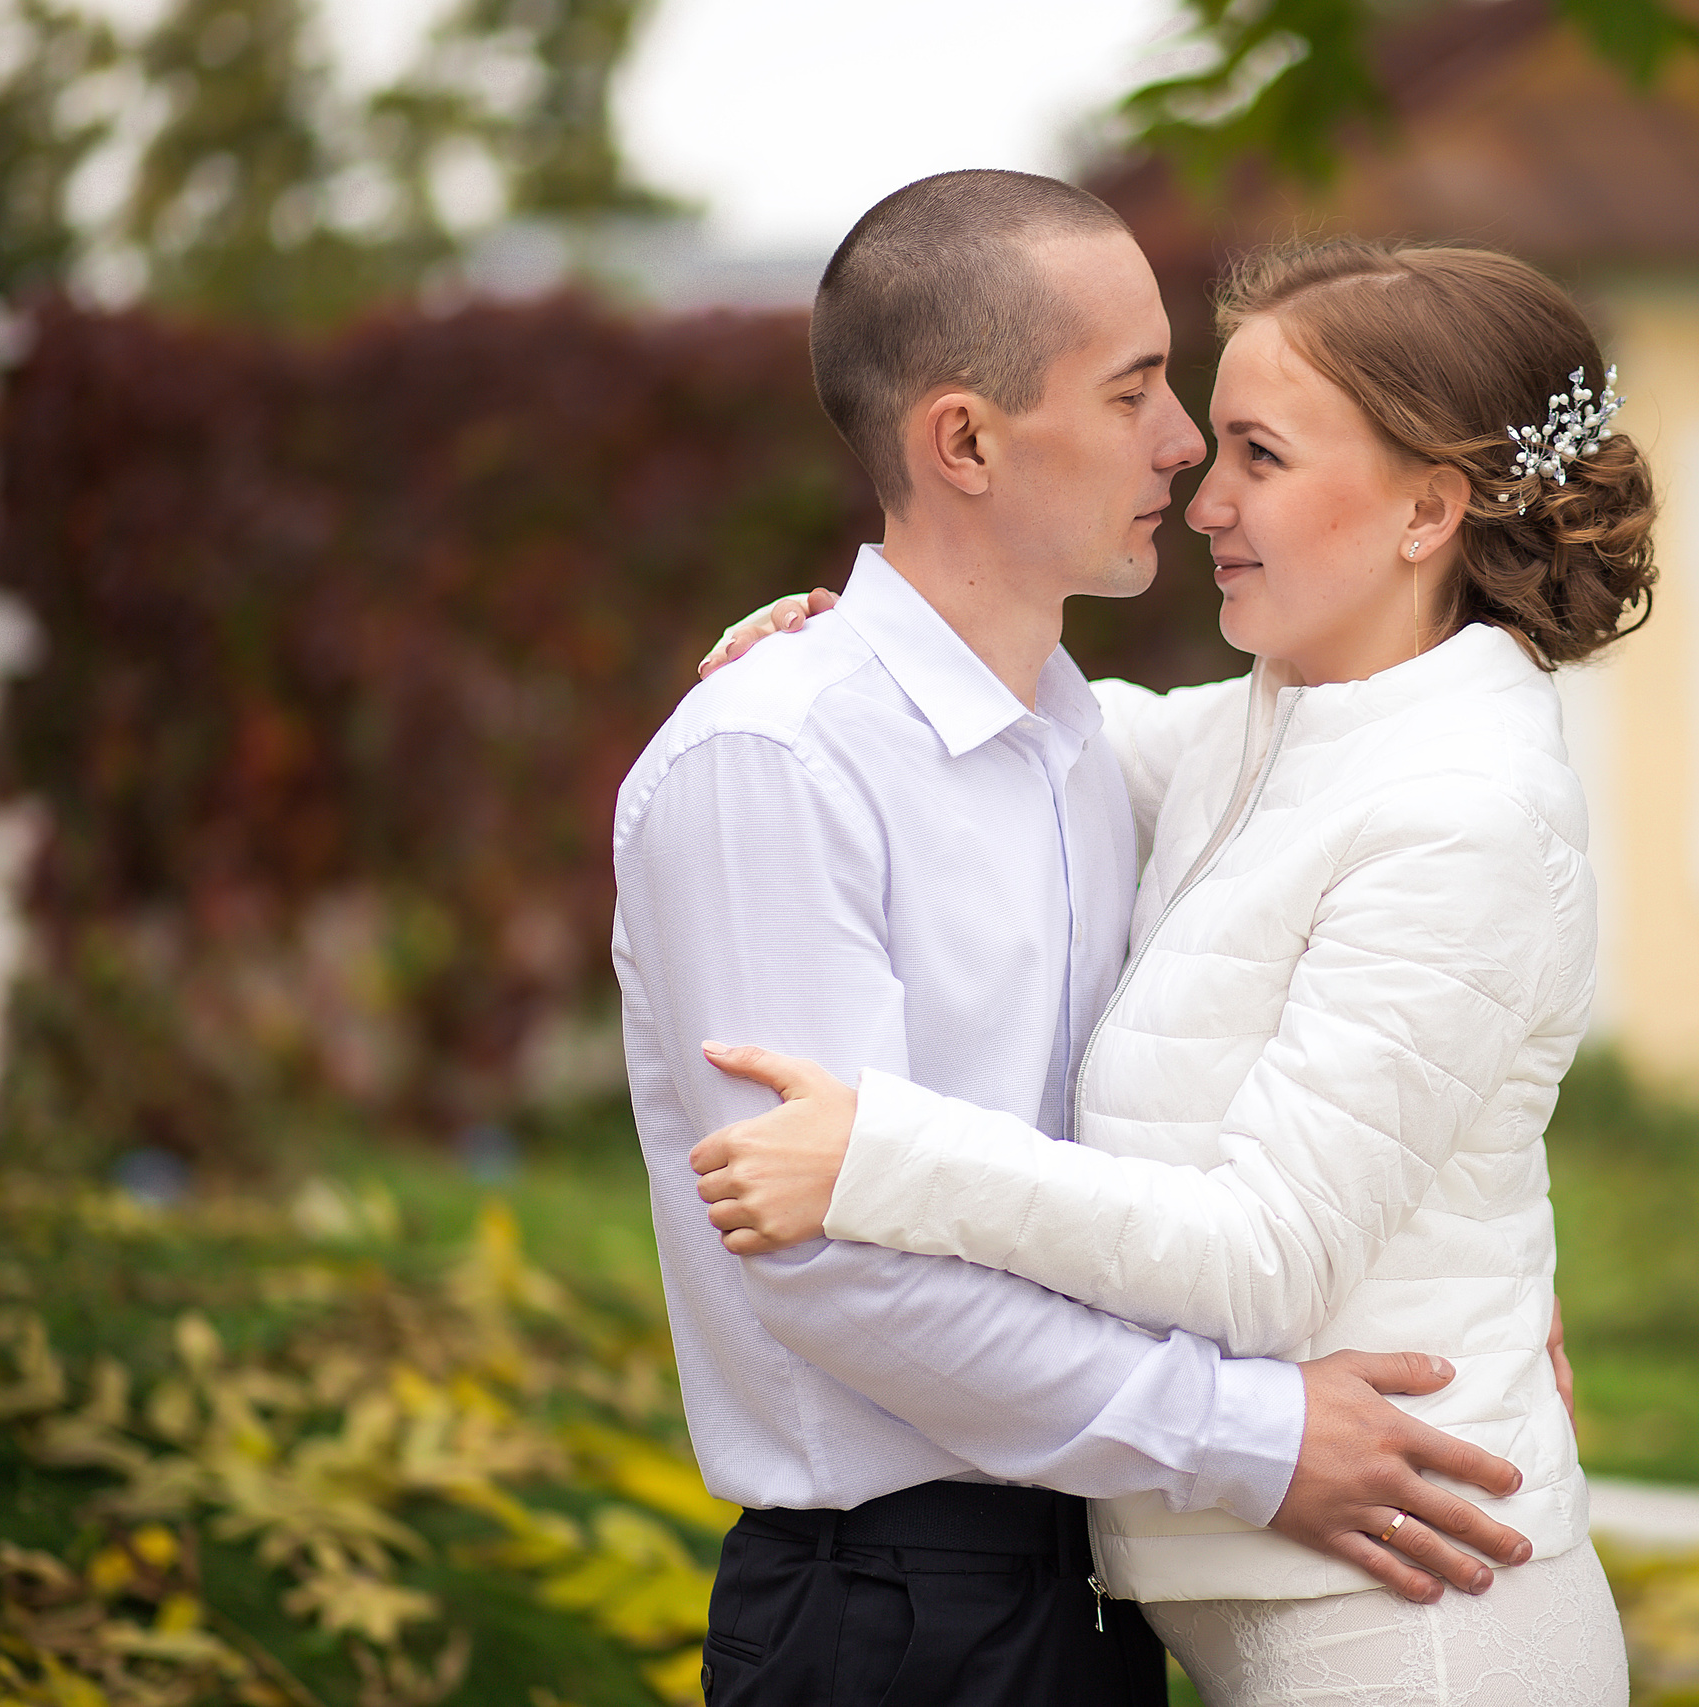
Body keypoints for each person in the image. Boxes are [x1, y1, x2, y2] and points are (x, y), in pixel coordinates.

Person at [613, 176, 1541, 1707]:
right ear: (964, 441)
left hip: (1106, 1579)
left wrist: (1496, 1257)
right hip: (897, 1618)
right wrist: (1246, 1438)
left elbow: (1414, 901)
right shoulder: (772, 765)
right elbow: (829, 1265)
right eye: (1135, 393)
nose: (1182, 445)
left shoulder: (1088, 743)